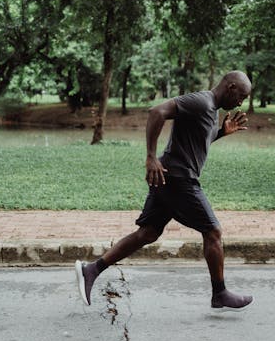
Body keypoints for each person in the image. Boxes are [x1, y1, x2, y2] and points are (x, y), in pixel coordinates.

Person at [75, 70, 254, 312]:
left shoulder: (211, 111)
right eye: (241, 96)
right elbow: (156, 112)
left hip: (170, 178)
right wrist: (150, 157)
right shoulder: (200, 101)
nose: (241, 102)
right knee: (213, 232)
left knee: (148, 233)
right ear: (231, 87)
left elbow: (197, 142)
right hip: (178, 179)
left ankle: (91, 269)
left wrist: (221, 132)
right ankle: (219, 293)